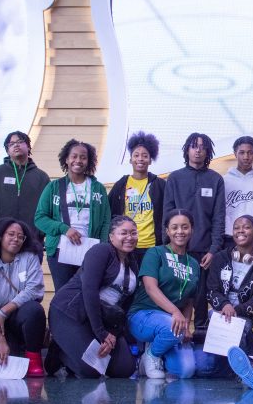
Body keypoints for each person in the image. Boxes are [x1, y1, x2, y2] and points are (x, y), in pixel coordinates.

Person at [48, 216, 140, 378]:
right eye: (123, 233)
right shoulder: (100, 251)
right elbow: (89, 291)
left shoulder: (133, 263)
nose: (129, 237)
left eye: (133, 233)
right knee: (91, 371)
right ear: (111, 237)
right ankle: (59, 351)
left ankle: (74, 347)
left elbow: (123, 306)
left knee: (125, 369)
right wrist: (101, 333)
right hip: (71, 313)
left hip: (103, 320)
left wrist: (112, 334)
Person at [162, 133, 225, 330]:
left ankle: (198, 334)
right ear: (186, 150)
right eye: (193, 146)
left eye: (202, 147)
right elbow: (167, 214)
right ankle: (173, 333)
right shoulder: (174, 178)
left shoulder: (216, 180)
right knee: (175, 293)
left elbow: (218, 217)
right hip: (178, 249)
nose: (197, 150)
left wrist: (213, 250)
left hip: (204, 251)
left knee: (200, 296)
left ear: (207, 151)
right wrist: (168, 248)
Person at [128, 209, 200, 379]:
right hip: (143, 315)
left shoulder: (194, 264)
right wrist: (175, 313)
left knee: (186, 371)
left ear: (192, 230)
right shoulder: (156, 253)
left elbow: (189, 300)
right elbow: (150, 287)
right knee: (172, 328)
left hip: (172, 324)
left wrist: (187, 325)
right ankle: (151, 356)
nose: (180, 231)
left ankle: (157, 347)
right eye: (174, 227)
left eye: (185, 227)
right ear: (167, 231)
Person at [34, 139, 111, 292]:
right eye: (74, 156)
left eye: (83, 157)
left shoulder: (98, 188)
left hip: (90, 251)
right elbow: (40, 218)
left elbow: (106, 222)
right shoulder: (54, 187)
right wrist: (64, 228)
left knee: (87, 295)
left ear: (88, 161)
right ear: (67, 159)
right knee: (62, 294)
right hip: (59, 250)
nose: (78, 160)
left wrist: (102, 249)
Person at [0, 218, 46, 376]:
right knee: (1, 369)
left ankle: (33, 358)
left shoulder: (30, 258)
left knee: (35, 310)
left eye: (20, 236)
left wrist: (4, 312)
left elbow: (34, 290)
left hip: (17, 317)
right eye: (11, 234)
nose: (16, 239)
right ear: (0, 237)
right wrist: (0, 341)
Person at [206, 215, 253, 352]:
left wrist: (234, 311)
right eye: (236, 228)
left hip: (245, 317)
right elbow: (211, 290)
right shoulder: (220, 258)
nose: (240, 231)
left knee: (239, 332)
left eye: (246, 227)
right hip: (220, 311)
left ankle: (238, 368)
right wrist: (225, 305)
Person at [0, 131, 50, 247]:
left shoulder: (42, 177)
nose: (16, 145)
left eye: (20, 142)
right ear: (7, 150)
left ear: (28, 146)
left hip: (32, 242)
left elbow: (49, 210)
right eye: (11, 144)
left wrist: (39, 233)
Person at [108, 131, 166, 265]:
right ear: (130, 159)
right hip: (127, 245)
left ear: (150, 160)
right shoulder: (121, 184)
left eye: (145, 156)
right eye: (136, 155)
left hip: (152, 246)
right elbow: (111, 213)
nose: (140, 159)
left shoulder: (160, 184)